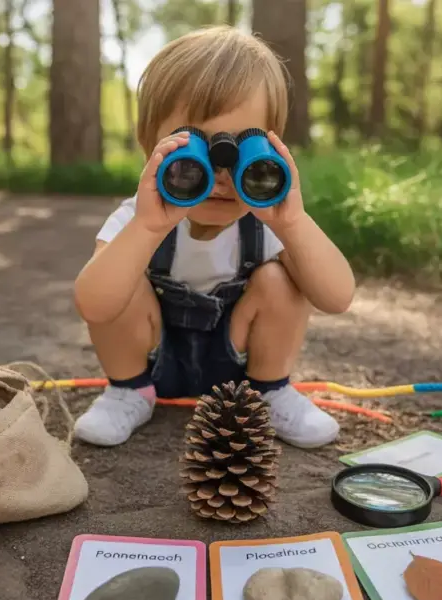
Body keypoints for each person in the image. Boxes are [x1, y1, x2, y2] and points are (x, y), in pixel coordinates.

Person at [72, 26, 356, 449]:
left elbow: (337, 297)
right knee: (120, 276)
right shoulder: (138, 217)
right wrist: (148, 229)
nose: (220, 177)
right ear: (149, 146)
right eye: (196, 154)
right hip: (154, 363)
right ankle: (128, 392)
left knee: (282, 279)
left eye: (245, 151)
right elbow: (94, 304)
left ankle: (269, 392)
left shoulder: (267, 224)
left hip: (239, 366)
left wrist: (292, 225)